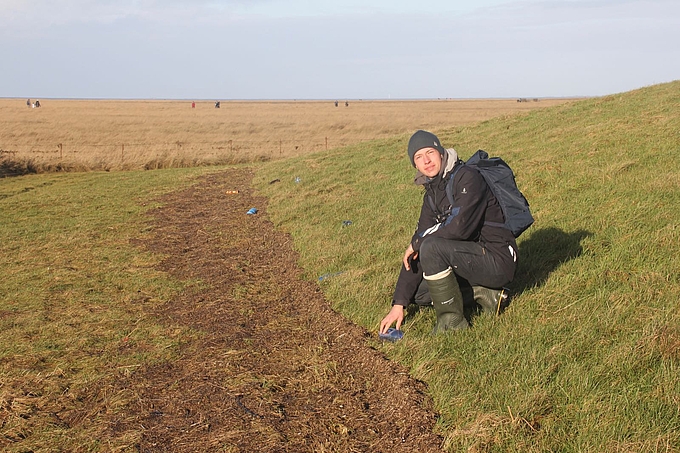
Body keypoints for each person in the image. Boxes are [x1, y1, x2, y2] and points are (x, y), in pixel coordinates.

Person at [379, 130, 518, 334]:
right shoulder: (432, 195)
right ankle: (485, 295)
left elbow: (459, 227)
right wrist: (398, 303)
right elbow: (416, 249)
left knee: (431, 247)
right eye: (419, 157)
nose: (426, 161)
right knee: (419, 294)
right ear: (415, 165)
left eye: (430, 152)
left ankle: (452, 325)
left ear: (441, 152)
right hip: (470, 258)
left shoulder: (468, 177)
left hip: (497, 259)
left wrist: (419, 242)